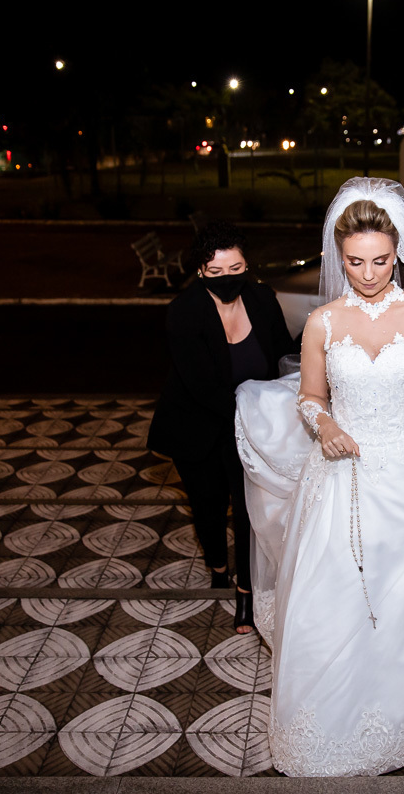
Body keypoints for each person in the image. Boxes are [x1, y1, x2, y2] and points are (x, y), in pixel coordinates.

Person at [234, 178, 404, 776]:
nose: (368, 273)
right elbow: (311, 397)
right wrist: (324, 426)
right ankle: (330, 712)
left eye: (381, 260)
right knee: (334, 592)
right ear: (338, 257)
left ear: (399, 253)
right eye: (355, 261)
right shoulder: (322, 322)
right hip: (341, 477)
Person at [146, 221, 297, 633]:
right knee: (209, 509)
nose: (228, 279)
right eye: (216, 273)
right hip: (199, 426)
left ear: (247, 265)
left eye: (236, 269)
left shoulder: (263, 299)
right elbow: (201, 386)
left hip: (251, 428)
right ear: (200, 272)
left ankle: (247, 596)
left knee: (250, 511)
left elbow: (283, 353)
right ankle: (216, 564)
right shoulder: (184, 311)